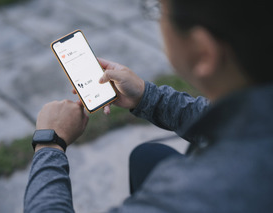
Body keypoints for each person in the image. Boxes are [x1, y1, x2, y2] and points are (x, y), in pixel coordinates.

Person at [24, 0, 273, 212]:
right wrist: (147, 97)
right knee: (146, 157)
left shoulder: (189, 192)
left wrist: (50, 143)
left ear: (202, 51)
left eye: (159, 10)